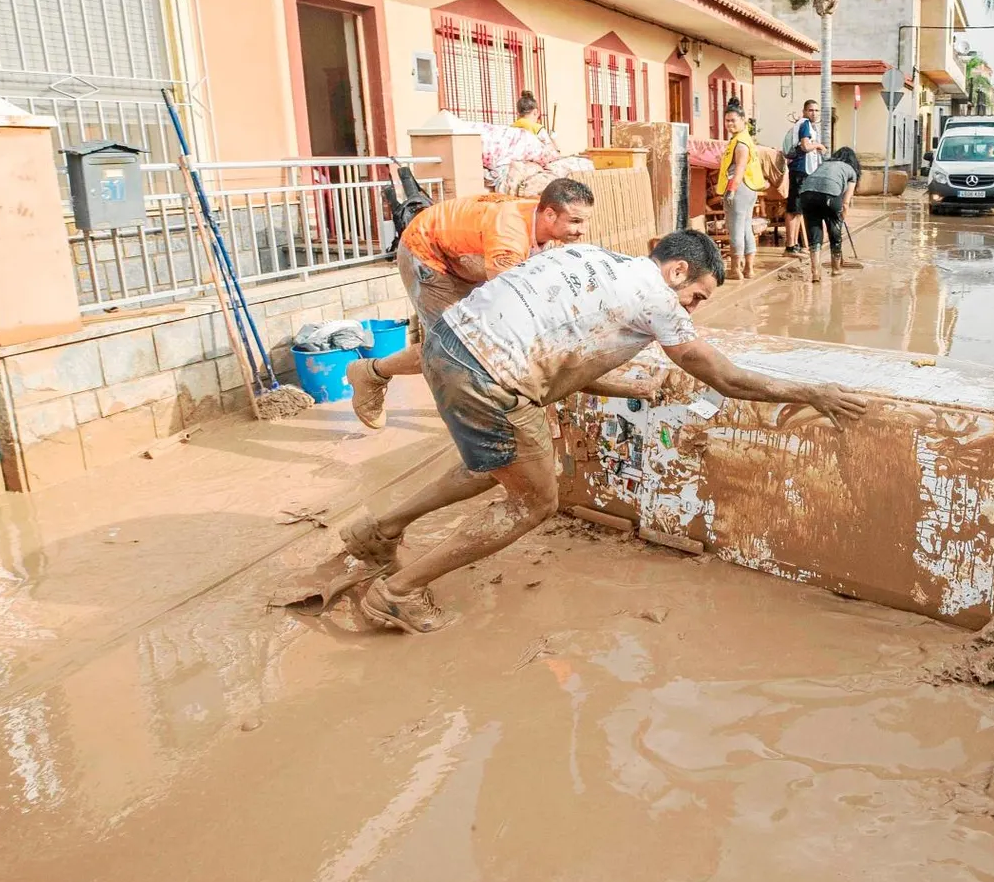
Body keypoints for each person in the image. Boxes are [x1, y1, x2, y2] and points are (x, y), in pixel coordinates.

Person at [341, 230, 870, 633]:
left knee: (496, 468)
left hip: (445, 346)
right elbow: (724, 377)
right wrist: (812, 393)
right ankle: (399, 593)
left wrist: (633, 391)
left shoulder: (590, 257)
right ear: (677, 272)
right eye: (698, 297)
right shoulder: (658, 301)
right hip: (491, 377)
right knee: (534, 502)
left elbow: (565, 359)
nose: (693, 309)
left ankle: (378, 531)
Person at [346, 178, 595, 428]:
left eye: (584, 220)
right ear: (550, 214)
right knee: (451, 348)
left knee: (479, 341)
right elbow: (512, 308)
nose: (582, 230)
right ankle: (371, 373)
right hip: (426, 254)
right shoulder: (509, 240)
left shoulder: (535, 217)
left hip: (461, 259)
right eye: (575, 221)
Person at [717, 98, 765, 281]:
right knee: (745, 227)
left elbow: (740, 168)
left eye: (733, 120)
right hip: (748, 188)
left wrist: (731, 190)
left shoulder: (741, 143)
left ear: (743, 120)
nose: (729, 124)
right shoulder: (743, 139)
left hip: (739, 188)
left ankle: (735, 269)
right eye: (727, 120)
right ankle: (748, 269)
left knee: (736, 229)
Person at [797, 146, 859, 283]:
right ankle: (836, 269)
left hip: (806, 194)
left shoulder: (824, 164)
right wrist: (842, 216)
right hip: (829, 195)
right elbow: (846, 202)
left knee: (814, 234)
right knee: (834, 233)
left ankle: (816, 273)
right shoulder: (851, 171)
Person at [784, 100, 825, 256]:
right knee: (794, 209)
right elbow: (805, 147)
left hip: (804, 170)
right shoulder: (805, 124)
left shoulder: (808, 126)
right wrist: (818, 146)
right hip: (800, 170)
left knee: (799, 209)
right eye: (810, 110)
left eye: (816, 110)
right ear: (804, 111)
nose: (813, 113)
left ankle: (796, 245)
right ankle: (790, 246)